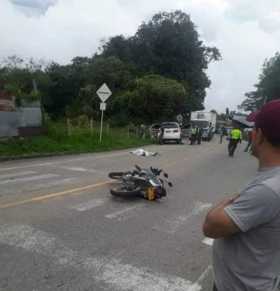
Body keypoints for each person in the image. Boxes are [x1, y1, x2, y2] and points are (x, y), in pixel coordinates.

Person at [203, 99, 280, 291]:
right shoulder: (272, 178)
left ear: (259, 135)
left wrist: (227, 201)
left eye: (254, 128)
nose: (250, 133)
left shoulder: (268, 189)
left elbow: (211, 226)